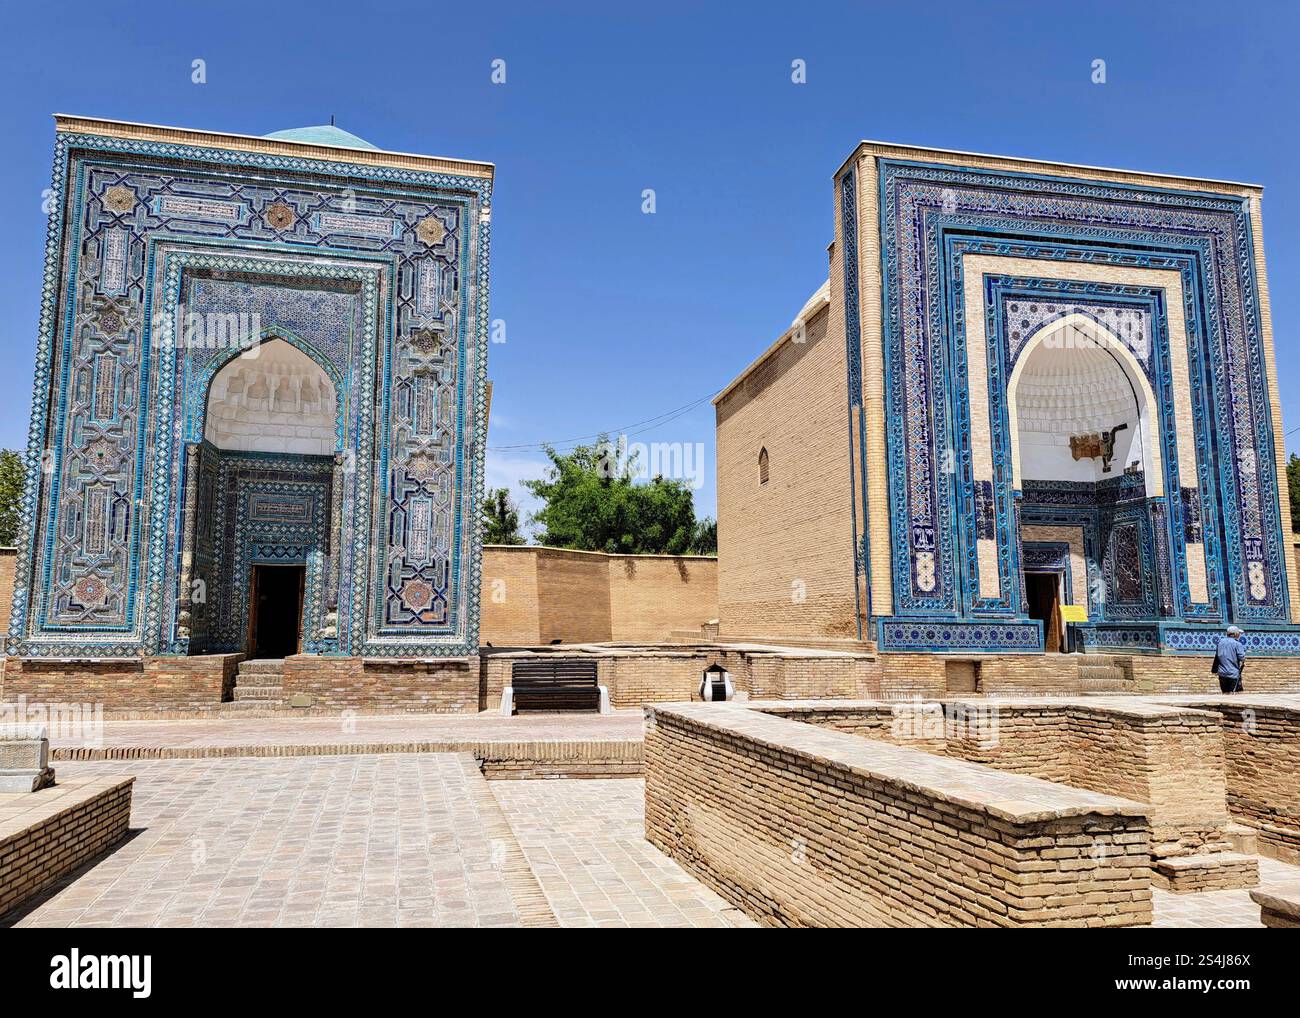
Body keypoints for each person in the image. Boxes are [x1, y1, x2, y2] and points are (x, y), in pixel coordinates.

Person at [1212, 625, 1246, 693]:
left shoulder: (1220, 642)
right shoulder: (1237, 644)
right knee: (1235, 694)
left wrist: (1214, 670)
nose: (1239, 635)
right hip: (1233, 674)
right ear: (1235, 634)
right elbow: (1242, 657)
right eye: (1239, 633)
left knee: (1225, 693)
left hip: (1222, 674)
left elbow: (1217, 657)